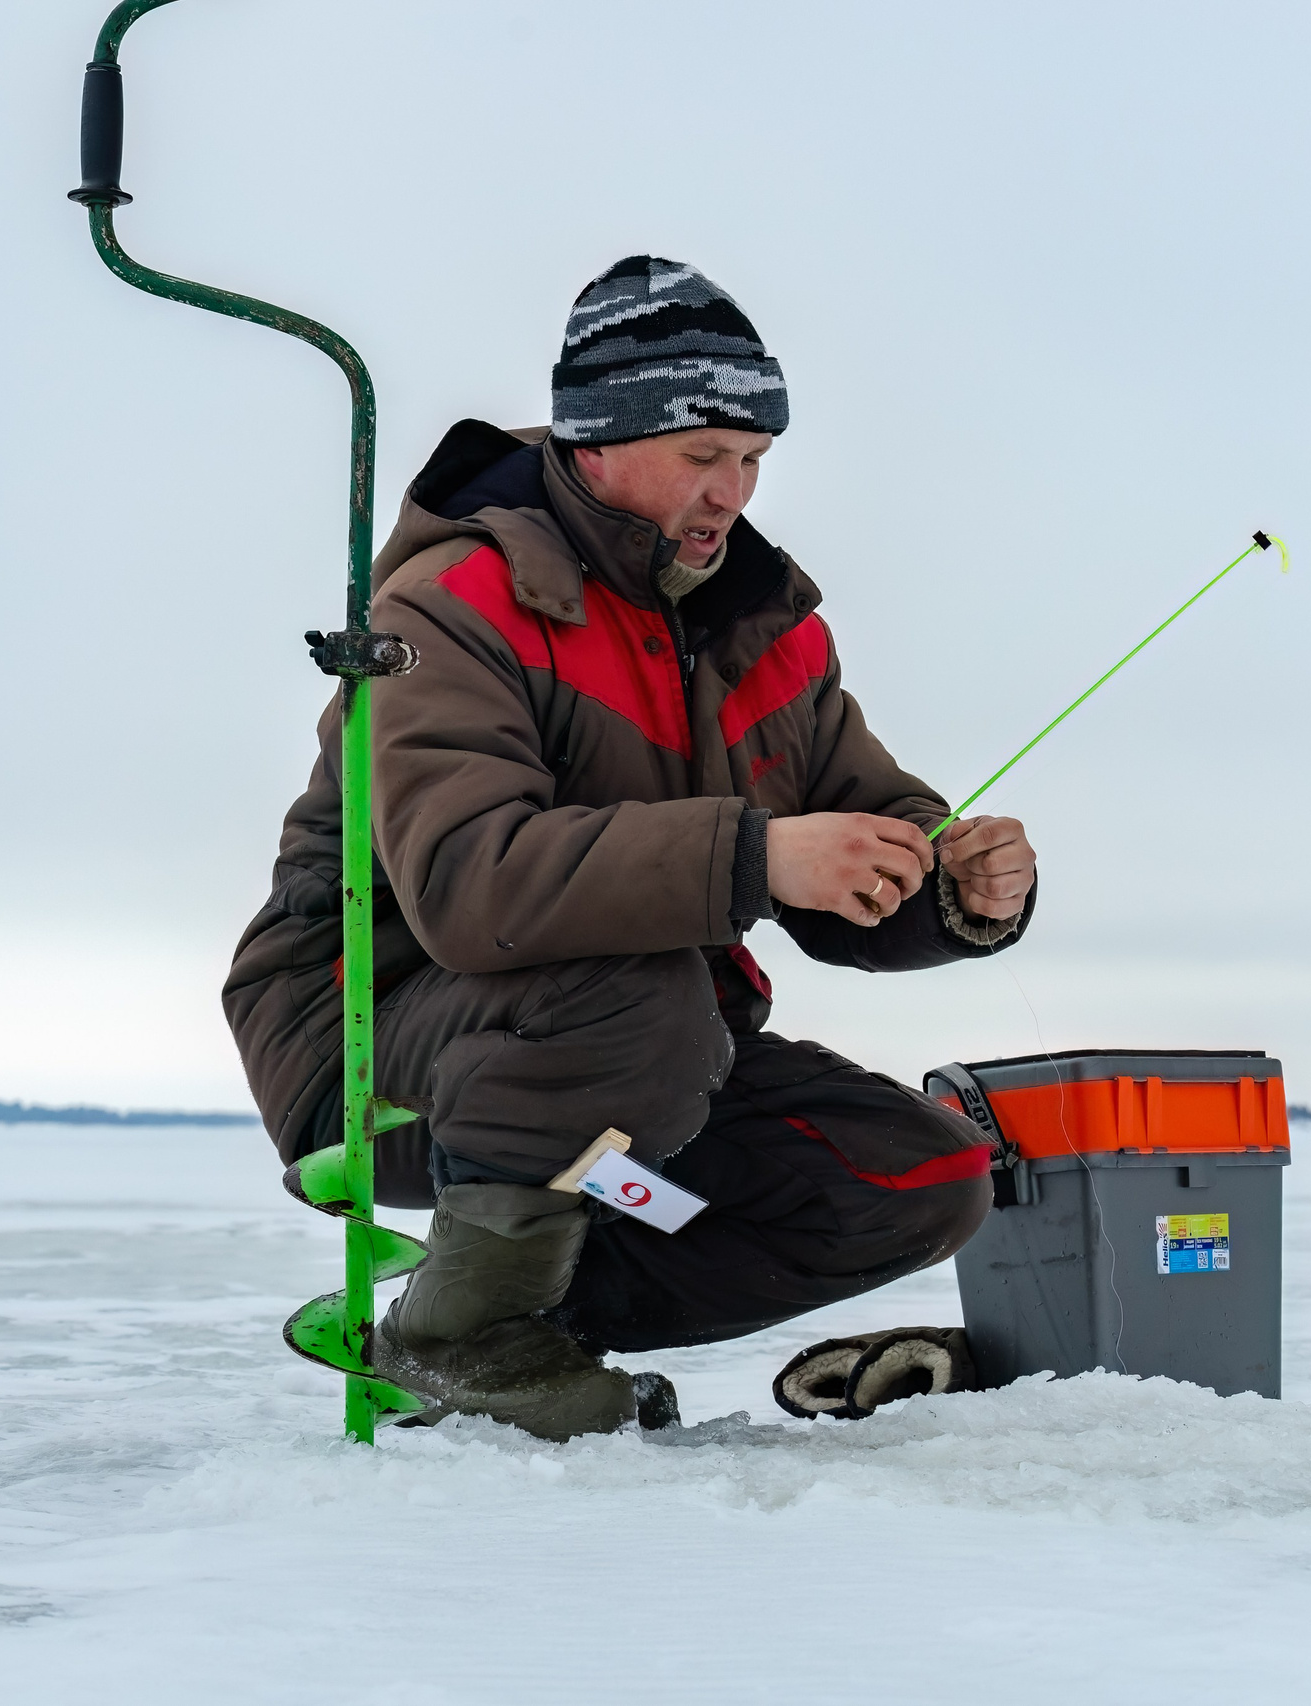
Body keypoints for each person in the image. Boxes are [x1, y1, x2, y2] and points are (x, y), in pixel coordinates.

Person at [222, 255, 1037, 1439]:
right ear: (594, 440)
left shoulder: (770, 634)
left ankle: (515, 1324)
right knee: (641, 993)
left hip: (643, 1069)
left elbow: (854, 838)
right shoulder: (454, 603)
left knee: (916, 1173)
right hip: (370, 1034)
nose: (734, 493)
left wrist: (951, 883)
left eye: (754, 461)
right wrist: (759, 857)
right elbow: (467, 883)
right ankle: (459, 1335)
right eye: (705, 457)